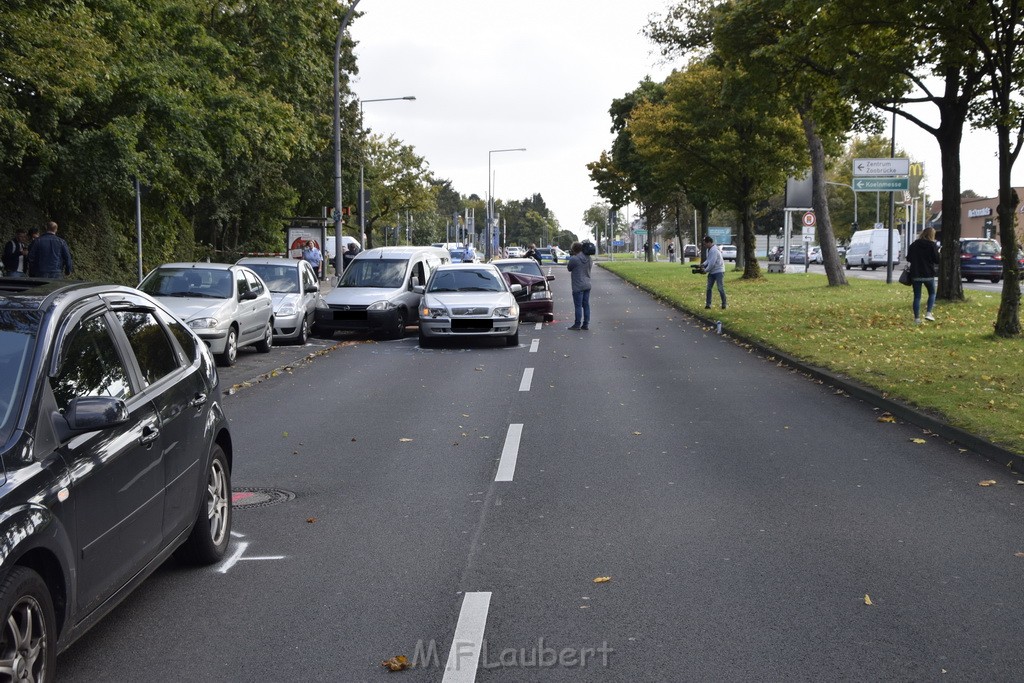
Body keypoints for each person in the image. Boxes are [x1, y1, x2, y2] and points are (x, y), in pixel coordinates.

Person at [906, 226, 940, 325]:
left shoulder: (914, 245)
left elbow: (909, 258)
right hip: (928, 273)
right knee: (932, 293)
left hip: (916, 274)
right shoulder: (932, 245)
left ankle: (917, 319)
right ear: (931, 235)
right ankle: (928, 313)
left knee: (917, 297)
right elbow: (936, 260)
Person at [566, 241, 592, 330]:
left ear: (574, 249)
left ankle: (577, 324)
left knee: (578, 306)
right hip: (587, 284)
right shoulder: (589, 258)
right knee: (586, 305)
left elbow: (569, 268)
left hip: (578, 285)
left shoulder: (574, 259)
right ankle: (586, 324)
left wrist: (572, 256)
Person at [701, 235, 726, 310]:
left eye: (705, 244)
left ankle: (724, 304)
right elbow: (708, 260)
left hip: (719, 271)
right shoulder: (709, 249)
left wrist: (705, 270)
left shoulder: (714, 250)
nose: (704, 245)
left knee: (720, 288)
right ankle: (708, 304)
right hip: (712, 272)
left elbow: (712, 263)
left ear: (709, 242)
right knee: (709, 288)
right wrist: (703, 264)